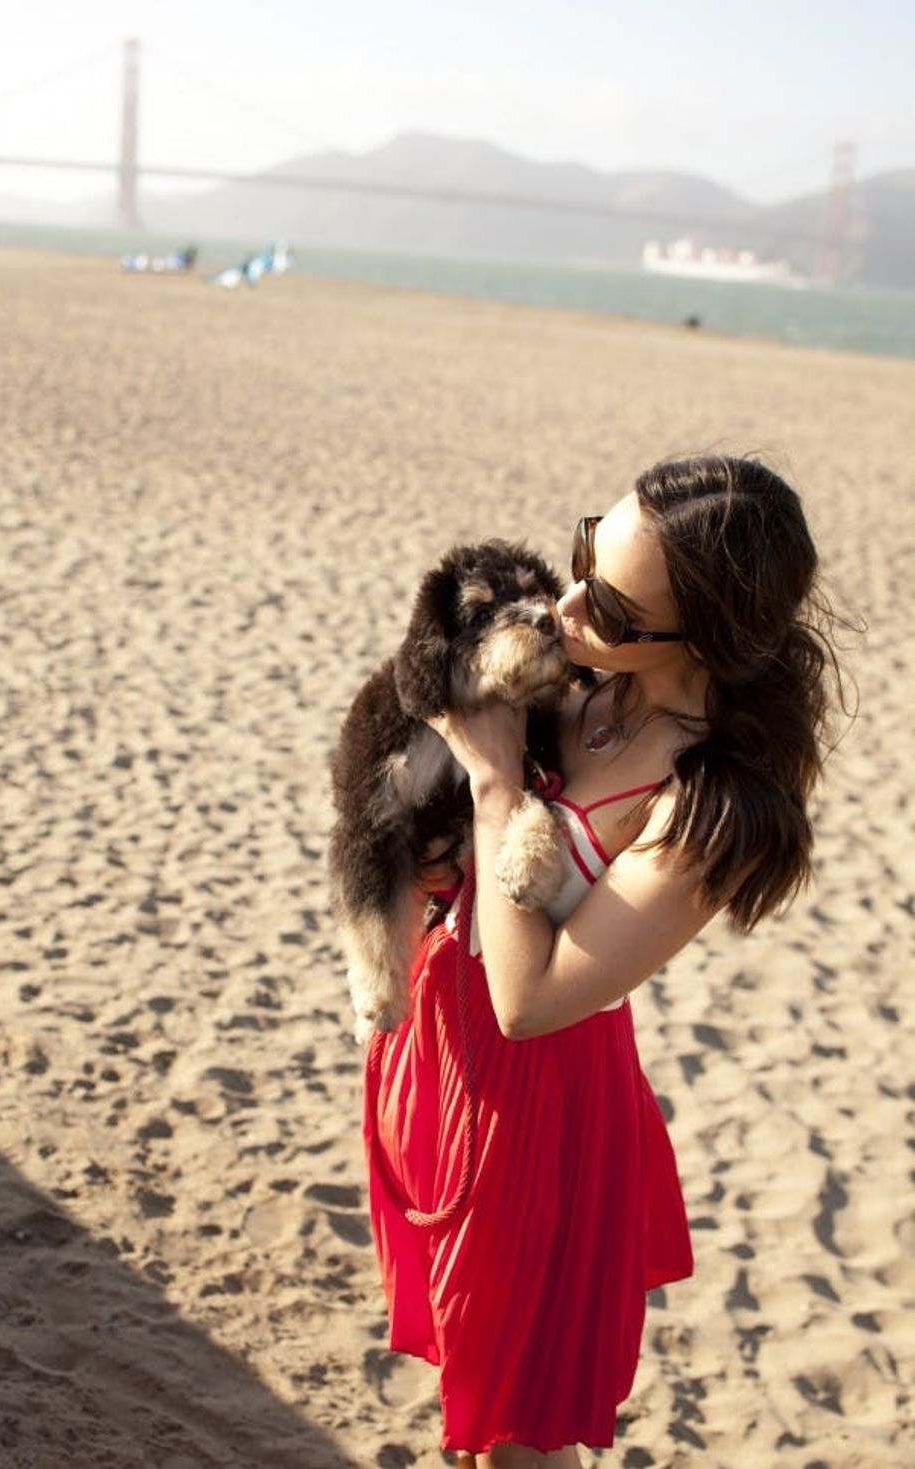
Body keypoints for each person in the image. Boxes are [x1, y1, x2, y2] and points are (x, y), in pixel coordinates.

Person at [362, 455, 846, 1468]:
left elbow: (528, 1000)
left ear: (705, 639)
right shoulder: (584, 678)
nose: (569, 606)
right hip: (435, 1055)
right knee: (469, 1388)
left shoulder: (708, 806)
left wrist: (496, 784)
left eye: (616, 607)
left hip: (533, 1112)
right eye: (586, 556)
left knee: (519, 1433)